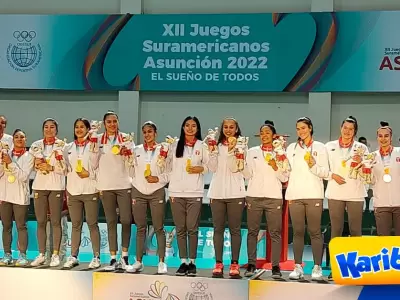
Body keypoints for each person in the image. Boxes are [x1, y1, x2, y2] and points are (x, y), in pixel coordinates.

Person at [242, 120, 288, 278]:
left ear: (274, 135)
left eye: (267, 133)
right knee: (252, 232)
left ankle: (276, 267)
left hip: (273, 197)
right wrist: (240, 160)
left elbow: (284, 177)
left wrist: (276, 166)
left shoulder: (280, 153)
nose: (264, 136)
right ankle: (251, 264)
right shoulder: (252, 151)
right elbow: (247, 175)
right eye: (262, 133)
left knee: (275, 233)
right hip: (254, 196)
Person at [167, 116, 212, 276]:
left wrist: (201, 169)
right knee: (180, 229)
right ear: (183, 127)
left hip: (195, 193)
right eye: (187, 125)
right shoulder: (174, 145)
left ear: (198, 129)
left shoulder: (202, 145)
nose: (190, 128)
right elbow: (166, 166)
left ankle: (192, 262)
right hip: (176, 193)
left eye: (193, 126)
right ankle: (182, 262)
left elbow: (211, 165)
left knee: (192, 229)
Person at [285, 117, 329, 281]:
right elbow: (286, 171)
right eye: (298, 129)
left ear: (310, 128)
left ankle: (317, 267)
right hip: (295, 195)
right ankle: (298, 267)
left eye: (303, 128)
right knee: (297, 232)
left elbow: (325, 172)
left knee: (315, 231)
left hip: (313, 195)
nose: (301, 131)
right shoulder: (291, 148)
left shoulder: (320, 147)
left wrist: (313, 165)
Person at [90, 111, 134, 271]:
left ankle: (125, 256)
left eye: (115, 121)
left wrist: (127, 154)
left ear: (118, 122)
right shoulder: (97, 139)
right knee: (111, 222)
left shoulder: (126, 138)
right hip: (106, 186)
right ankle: (113, 257)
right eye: (109, 122)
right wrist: (94, 145)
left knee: (127, 220)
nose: (112, 124)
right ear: (104, 123)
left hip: (123, 184)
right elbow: (93, 164)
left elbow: (132, 161)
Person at [325, 116, 367, 280]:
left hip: (355, 194)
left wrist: (361, 164)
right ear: (340, 128)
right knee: (336, 230)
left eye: (351, 129)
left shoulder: (361, 148)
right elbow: (324, 168)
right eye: (345, 128)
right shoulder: (330, 147)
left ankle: (356, 268)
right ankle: (335, 268)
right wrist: (332, 176)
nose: (347, 131)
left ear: (355, 131)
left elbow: (367, 171)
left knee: (356, 231)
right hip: (335, 193)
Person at [127, 121, 169, 274]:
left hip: (157, 191)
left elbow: (170, 173)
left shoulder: (163, 150)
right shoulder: (135, 150)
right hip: (138, 191)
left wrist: (158, 179)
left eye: (150, 131)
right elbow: (130, 171)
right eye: (144, 132)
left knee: (159, 227)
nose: (147, 134)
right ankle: (138, 261)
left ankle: (161, 262)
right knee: (140, 227)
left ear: (155, 133)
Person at [207, 117, 245, 278]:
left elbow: (236, 168)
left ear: (236, 129)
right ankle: (218, 262)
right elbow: (212, 168)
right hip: (217, 193)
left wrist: (233, 151)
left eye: (232, 127)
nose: (228, 130)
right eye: (226, 127)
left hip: (236, 193)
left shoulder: (242, 146)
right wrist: (212, 152)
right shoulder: (215, 146)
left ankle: (234, 263)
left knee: (235, 230)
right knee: (218, 229)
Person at [63, 118, 101, 269]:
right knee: (76, 225)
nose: (79, 129)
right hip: (73, 191)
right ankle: (73, 256)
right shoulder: (68, 147)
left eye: (82, 127)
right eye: (76, 127)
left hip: (90, 190)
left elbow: (97, 167)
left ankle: (96, 257)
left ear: (87, 129)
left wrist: (90, 175)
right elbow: (65, 169)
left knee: (92, 224)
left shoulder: (93, 145)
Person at [29, 118, 67, 267]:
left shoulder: (62, 146)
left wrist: (51, 168)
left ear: (56, 130)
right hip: (39, 186)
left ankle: (56, 255)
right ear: (43, 129)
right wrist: (37, 165)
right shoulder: (35, 145)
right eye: (46, 127)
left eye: (52, 127)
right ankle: (41, 254)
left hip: (56, 186)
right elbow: (30, 166)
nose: (49, 129)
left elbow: (65, 168)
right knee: (41, 221)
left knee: (56, 222)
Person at [0, 129, 33, 266]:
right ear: (12, 140)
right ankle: (7, 254)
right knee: (6, 226)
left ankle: (22, 255)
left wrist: (11, 163)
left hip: (20, 196)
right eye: (17, 137)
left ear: (26, 140)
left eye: (22, 137)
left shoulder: (29, 156)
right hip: (5, 195)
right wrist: (3, 162)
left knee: (21, 226)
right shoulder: (5, 154)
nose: (19, 139)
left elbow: (24, 177)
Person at [371, 121, 400, 236]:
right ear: (377, 138)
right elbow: (370, 180)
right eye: (380, 136)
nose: (383, 139)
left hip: (399, 203)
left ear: (391, 137)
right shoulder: (372, 157)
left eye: (386, 136)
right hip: (381, 203)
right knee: (383, 239)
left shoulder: (399, 153)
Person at [46, 193, 68, 264]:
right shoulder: (44, 190)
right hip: (48, 217)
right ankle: (48, 259)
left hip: (61, 215)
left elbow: (69, 208)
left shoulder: (64, 190)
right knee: (48, 238)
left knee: (62, 238)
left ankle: (61, 259)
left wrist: (58, 214)